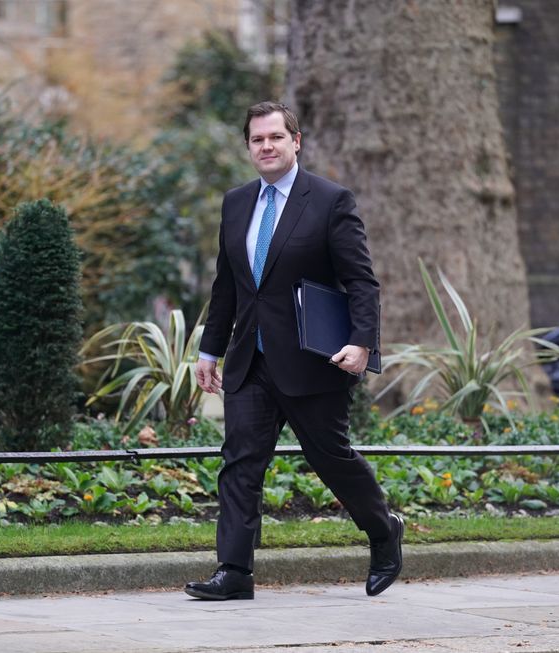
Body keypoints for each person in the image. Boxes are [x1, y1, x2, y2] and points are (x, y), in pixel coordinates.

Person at [185, 101, 403, 601]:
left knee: (330, 458)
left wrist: (361, 342)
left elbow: (361, 281)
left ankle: (384, 529)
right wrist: (209, 351)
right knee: (240, 462)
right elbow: (228, 286)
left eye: (275, 138)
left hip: (313, 361)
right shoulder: (236, 203)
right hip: (250, 360)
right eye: (257, 140)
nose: (266, 146)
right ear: (248, 147)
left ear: (296, 142)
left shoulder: (330, 200)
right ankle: (234, 571)